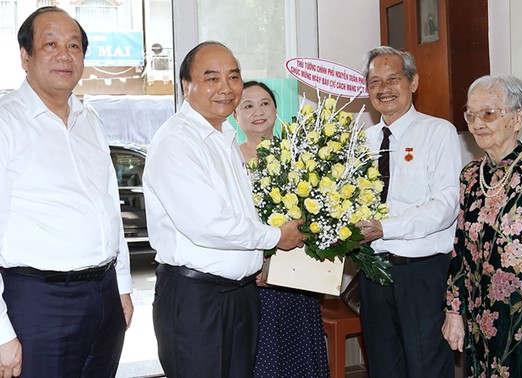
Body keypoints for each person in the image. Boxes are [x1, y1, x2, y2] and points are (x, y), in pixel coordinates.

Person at [143, 42, 304, 378]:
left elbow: (243, 214)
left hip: (239, 296)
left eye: (233, 77)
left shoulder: (225, 137)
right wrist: (276, 237)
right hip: (196, 299)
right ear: (187, 86)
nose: (226, 88)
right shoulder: (177, 141)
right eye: (212, 78)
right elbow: (208, 223)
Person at [0, 6, 133, 378]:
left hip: (104, 296)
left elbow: (109, 205)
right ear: (25, 56)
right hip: (40, 302)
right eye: (51, 43)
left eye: (74, 45)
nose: (65, 54)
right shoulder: (5, 122)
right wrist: (1, 333)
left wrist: (121, 286)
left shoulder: (89, 119)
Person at [441, 74, 522, 377]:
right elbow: (460, 247)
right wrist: (454, 310)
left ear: (517, 118)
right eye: (470, 115)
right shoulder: (471, 176)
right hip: (480, 318)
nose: (477, 123)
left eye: (488, 113)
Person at [355, 46, 461, 378]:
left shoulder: (438, 132)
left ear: (413, 82)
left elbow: (445, 205)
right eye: (375, 81)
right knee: (383, 365)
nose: (384, 89)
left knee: (426, 366)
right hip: (373, 272)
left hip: (421, 273)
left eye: (393, 78)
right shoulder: (362, 140)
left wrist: (385, 228)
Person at [233, 80, 330, 377]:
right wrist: (260, 262)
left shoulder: (301, 157)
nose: (257, 111)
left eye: (264, 103)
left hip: (298, 276)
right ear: (235, 116)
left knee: (300, 355)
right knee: (263, 356)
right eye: (247, 106)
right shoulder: (230, 160)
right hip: (254, 279)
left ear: (276, 109)